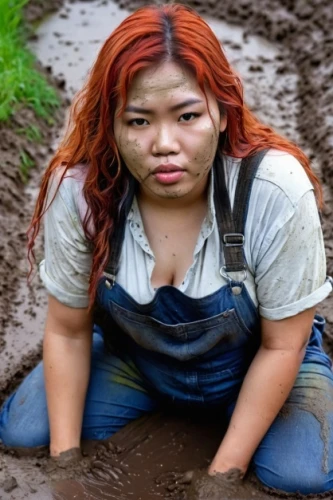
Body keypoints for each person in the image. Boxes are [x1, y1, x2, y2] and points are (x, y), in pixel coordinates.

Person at [0, 3, 333, 496]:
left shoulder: (272, 189)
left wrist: (221, 478)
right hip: (142, 365)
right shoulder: (81, 192)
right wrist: (64, 468)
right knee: (25, 433)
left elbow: (280, 344)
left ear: (222, 112)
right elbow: (67, 331)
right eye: (138, 121)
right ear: (111, 126)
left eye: (187, 115)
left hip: (260, 364)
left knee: (302, 474)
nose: (163, 143)